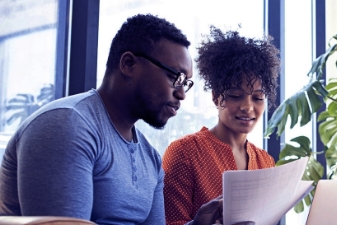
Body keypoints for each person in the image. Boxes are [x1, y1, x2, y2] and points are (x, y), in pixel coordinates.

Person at [0, 14, 221, 225]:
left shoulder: (150, 157)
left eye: (186, 84)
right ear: (129, 64)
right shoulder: (68, 125)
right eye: (175, 77)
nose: (181, 94)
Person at [162, 26, 281, 225]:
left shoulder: (266, 162)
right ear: (216, 96)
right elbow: (169, 221)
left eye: (258, 98)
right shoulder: (184, 152)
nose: (247, 107)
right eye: (235, 96)